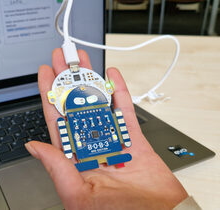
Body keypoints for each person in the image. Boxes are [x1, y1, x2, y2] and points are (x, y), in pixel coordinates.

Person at [25, 48, 201, 209]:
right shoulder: (70, 118)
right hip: (86, 151)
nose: (86, 102)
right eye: (81, 101)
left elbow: (119, 125)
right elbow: (67, 135)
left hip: (110, 149)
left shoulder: (104, 113)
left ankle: (113, 157)